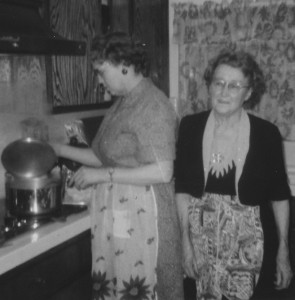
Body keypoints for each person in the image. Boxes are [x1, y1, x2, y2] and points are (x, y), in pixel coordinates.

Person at [52, 31, 184, 300]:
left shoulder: (153, 105)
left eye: (101, 72)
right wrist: (55, 149)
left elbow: (162, 171)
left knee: (140, 288)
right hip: (121, 216)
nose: (99, 82)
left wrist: (101, 175)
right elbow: (104, 156)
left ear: (124, 63)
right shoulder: (122, 104)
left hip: (146, 218)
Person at [174, 50, 293, 300]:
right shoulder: (189, 126)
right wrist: (185, 243)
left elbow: (280, 195)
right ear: (209, 86)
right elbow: (182, 188)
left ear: (248, 93)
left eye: (235, 85)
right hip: (199, 246)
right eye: (218, 83)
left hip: (252, 250)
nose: (224, 91)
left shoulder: (266, 134)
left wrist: (283, 248)